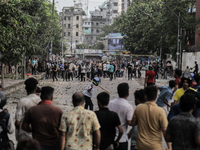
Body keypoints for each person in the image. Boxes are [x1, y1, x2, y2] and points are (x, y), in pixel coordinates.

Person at [108, 83, 133, 150]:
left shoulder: (110, 103)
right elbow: (130, 122)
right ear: (128, 93)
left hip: (110, 138)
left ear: (117, 92)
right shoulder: (128, 106)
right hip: (122, 139)